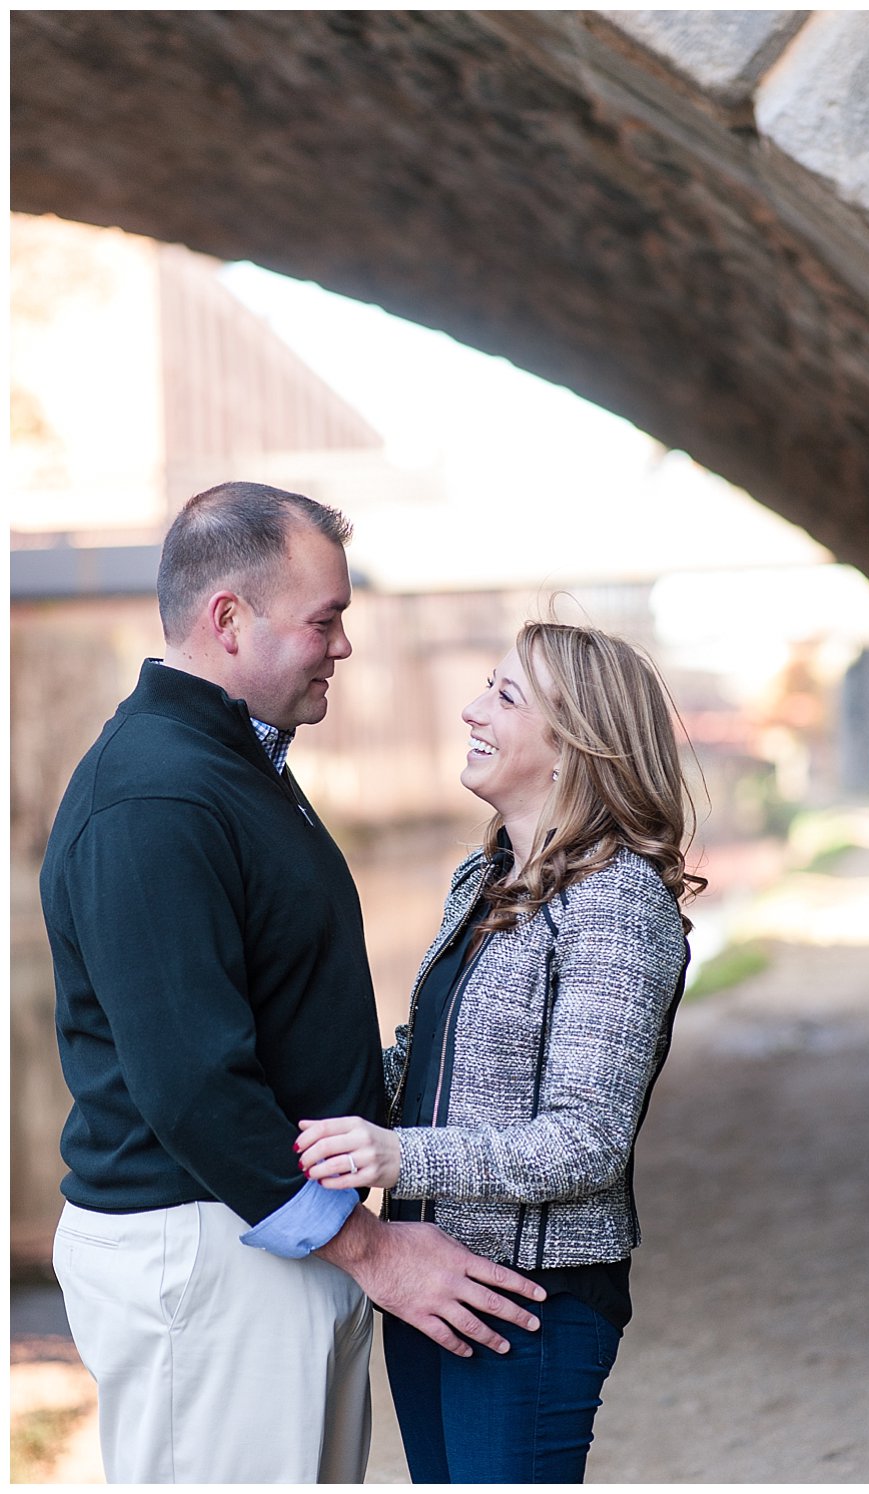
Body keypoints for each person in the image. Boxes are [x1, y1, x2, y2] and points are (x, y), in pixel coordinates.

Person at [39, 481, 545, 1485]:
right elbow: (192, 1087)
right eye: (327, 619)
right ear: (230, 620)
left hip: (264, 1245)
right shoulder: (155, 795)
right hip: (207, 1251)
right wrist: (370, 1252)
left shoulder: (233, 766)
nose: (343, 645)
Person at [296, 620, 705, 1483]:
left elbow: (586, 1139)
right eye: (487, 683)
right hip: (429, 1277)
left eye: (505, 695)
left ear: (576, 749)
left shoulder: (619, 903)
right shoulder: (481, 879)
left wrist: (398, 1155)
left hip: (531, 1300)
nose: (471, 707)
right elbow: (426, 1060)